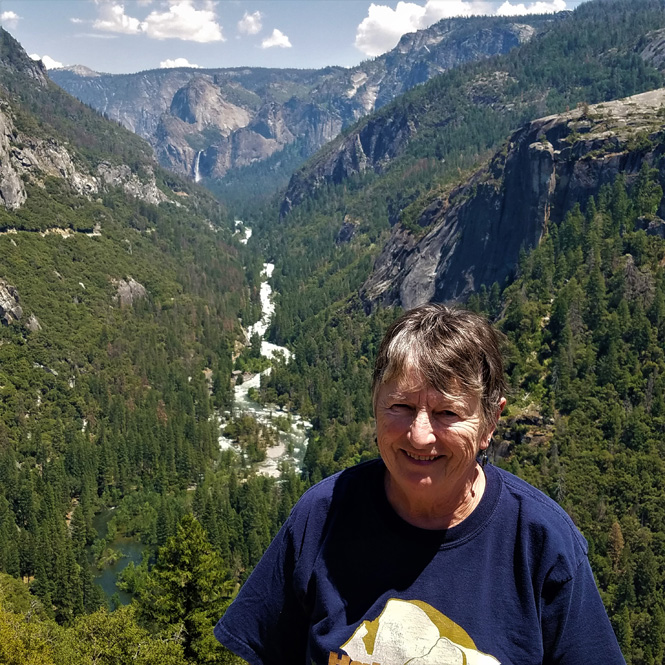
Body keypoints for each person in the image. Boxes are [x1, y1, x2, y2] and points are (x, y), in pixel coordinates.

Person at [214, 304, 626, 665]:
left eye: (447, 412)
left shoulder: (542, 545)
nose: (420, 435)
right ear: (375, 403)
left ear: (490, 421)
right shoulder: (321, 516)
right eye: (401, 407)